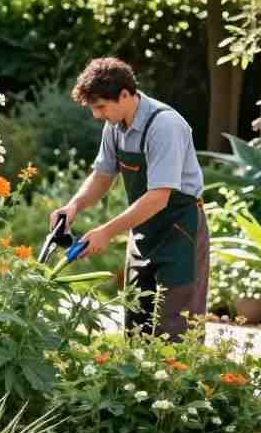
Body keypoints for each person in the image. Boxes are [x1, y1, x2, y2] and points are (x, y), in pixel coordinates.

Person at [50, 57, 208, 339]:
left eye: (100, 107)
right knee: (135, 323)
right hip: (143, 231)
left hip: (179, 229)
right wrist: (74, 206)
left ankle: (179, 384)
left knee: (178, 328)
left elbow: (159, 197)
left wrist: (106, 232)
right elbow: (102, 176)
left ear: (125, 94)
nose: (97, 115)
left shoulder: (164, 126)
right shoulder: (114, 127)